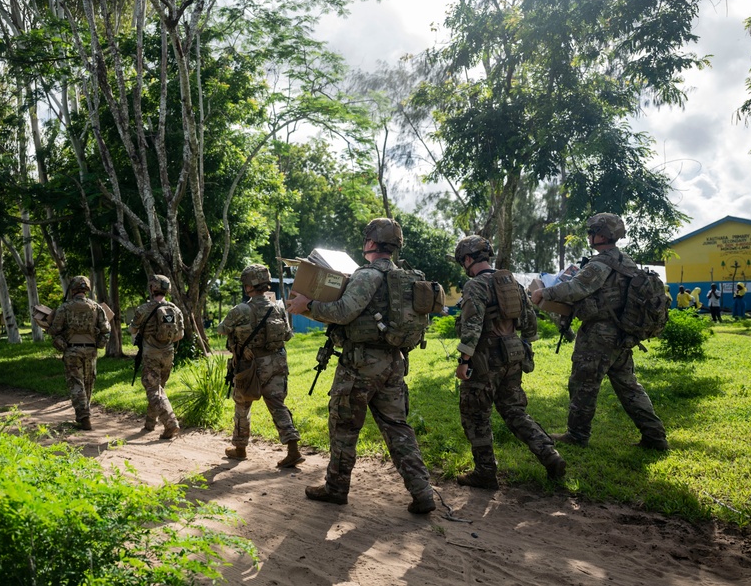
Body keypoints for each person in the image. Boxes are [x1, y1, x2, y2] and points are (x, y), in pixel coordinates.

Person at [287, 217, 436, 514]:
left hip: (360, 364)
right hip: (394, 362)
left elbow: (343, 312)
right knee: (398, 428)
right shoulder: (404, 276)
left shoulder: (367, 275)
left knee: (344, 426)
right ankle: (423, 492)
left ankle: (336, 488)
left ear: (370, 243)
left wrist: (309, 306)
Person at [531, 213, 668, 451]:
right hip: (623, 333)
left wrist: (545, 293)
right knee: (629, 386)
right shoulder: (626, 262)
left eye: (590, 232)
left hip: (599, 334)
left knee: (583, 383)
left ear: (601, 235)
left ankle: (577, 435)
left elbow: (576, 288)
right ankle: (655, 437)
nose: (588, 236)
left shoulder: (600, 264)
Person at [452, 236, 566, 489]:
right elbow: (530, 323)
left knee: (475, 414)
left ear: (468, 259)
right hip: (513, 353)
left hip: (485, 357)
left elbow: (471, 326)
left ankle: (485, 472)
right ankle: (550, 455)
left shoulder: (475, 285)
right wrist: (523, 345)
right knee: (515, 411)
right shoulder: (512, 282)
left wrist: (463, 361)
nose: (464, 266)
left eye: (463, 261)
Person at [217, 264, 304, 468]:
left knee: (242, 405)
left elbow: (222, 329)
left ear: (248, 286)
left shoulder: (241, 310)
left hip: (250, 366)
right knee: (277, 405)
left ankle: (240, 449)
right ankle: (293, 450)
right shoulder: (279, 307)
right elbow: (287, 336)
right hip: (277, 363)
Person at [47, 275, 111, 430]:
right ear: (87, 289)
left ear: (73, 289)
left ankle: (83, 416)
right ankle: (84, 412)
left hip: (72, 349)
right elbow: (106, 330)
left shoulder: (64, 307)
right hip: (90, 350)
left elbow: (55, 329)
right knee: (88, 383)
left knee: (76, 383)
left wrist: (52, 332)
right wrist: (99, 344)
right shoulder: (96, 307)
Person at [129, 275, 185, 440]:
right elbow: (180, 335)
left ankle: (170, 422)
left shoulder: (143, 309)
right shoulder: (175, 309)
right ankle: (149, 423)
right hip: (168, 354)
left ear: (152, 288)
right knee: (159, 389)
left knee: (154, 390)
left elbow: (132, 330)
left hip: (151, 354)